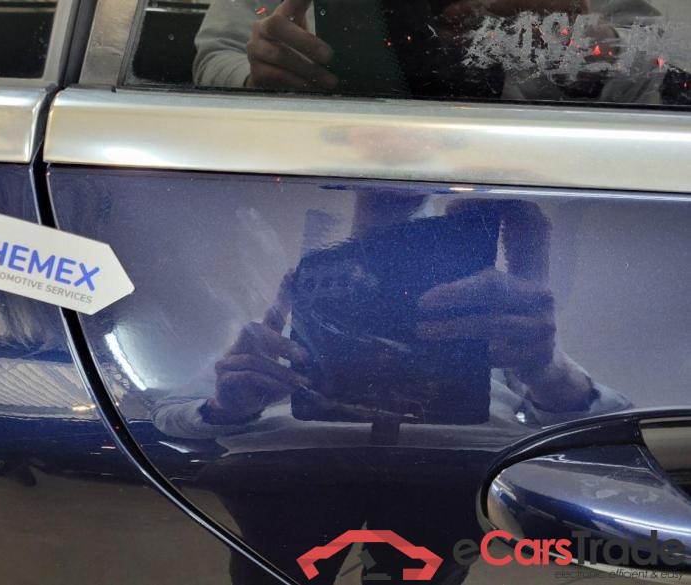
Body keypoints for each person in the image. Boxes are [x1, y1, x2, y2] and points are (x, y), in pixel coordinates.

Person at [151, 192, 630, 584]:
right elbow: (170, 414)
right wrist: (227, 404)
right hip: (301, 467)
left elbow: (609, 431)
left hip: (445, 470)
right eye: (380, 201)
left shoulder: (490, 330)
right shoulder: (290, 309)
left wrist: (549, 369)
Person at [193, 0, 668, 102]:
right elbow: (217, 56)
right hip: (325, 157)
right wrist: (257, 78)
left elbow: (654, 53)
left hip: (541, 168)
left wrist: (587, 51)